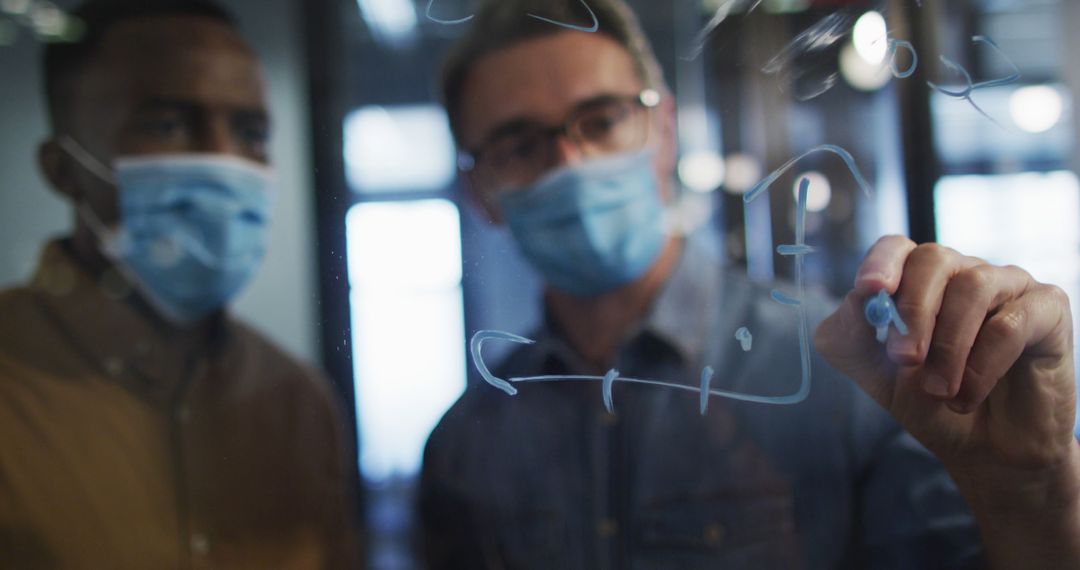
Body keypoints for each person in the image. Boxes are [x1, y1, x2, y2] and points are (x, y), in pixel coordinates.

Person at [418, 0, 1080, 568]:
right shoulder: (463, 444)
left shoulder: (857, 378)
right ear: (480, 190)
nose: (572, 162)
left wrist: (1033, 496)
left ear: (663, 130)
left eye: (602, 119)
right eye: (520, 144)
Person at [0, 1, 359, 567]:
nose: (223, 161)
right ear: (63, 169)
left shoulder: (300, 405)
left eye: (249, 131)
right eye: (166, 125)